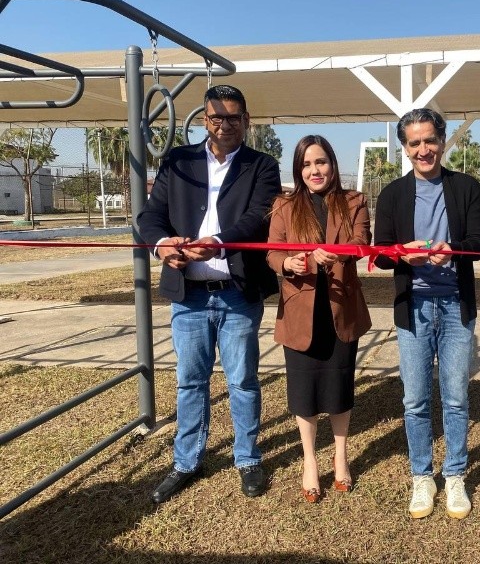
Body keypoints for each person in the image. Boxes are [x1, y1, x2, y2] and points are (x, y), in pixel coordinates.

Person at [137, 84, 281, 504]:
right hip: (189, 294)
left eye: (233, 117)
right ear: (204, 120)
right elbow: (151, 215)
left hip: (237, 292)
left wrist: (217, 243)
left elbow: (258, 219)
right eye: (217, 117)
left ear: (246, 121)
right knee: (190, 381)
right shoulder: (178, 161)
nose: (224, 125)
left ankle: (247, 458)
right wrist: (162, 245)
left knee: (242, 380)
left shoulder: (262, 166)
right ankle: (186, 461)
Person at [373, 108, 480, 520]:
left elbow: (478, 244)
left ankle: (454, 474)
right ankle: (422, 476)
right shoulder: (392, 195)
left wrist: (450, 251)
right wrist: (403, 254)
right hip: (414, 307)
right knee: (415, 399)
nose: (424, 149)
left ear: (442, 140)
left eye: (430, 140)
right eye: (414, 143)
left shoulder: (466, 187)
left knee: (455, 397)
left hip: (456, 305)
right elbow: (380, 254)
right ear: (405, 149)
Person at [266, 135, 372, 504]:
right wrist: (289, 262)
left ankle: (341, 457)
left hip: (342, 310)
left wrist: (336, 254)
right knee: (303, 392)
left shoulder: (354, 201)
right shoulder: (284, 205)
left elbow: (362, 242)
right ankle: (310, 461)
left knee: (339, 388)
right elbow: (272, 252)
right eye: (307, 164)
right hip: (299, 312)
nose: (315, 170)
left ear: (333, 164)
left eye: (321, 162)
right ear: (299, 169)